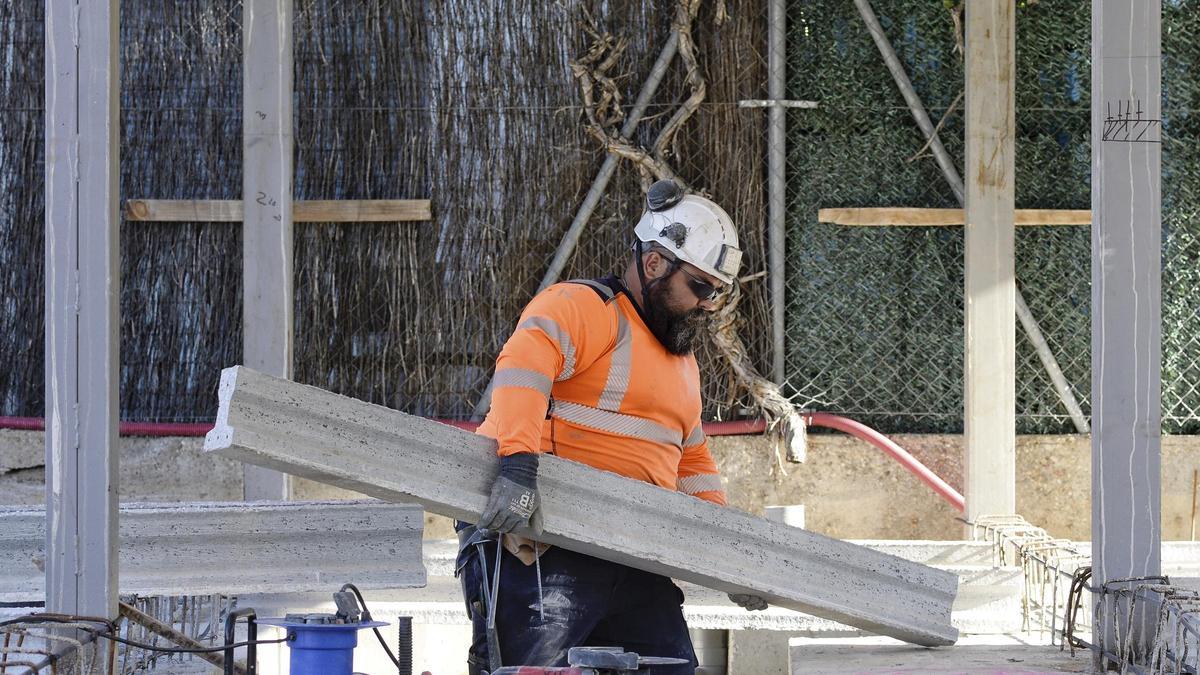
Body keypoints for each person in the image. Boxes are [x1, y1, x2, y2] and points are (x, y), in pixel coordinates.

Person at [456, 180, 766, 675]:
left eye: (717, 293)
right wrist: (517, 466)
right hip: (548, 548)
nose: (708, 304)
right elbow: (523, 365)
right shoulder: (583, 307)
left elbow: (691, 462)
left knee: (669, 668)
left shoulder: (682, 364)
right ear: (653, 264)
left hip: (637, 557)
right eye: (701, 287)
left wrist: (723, 551)